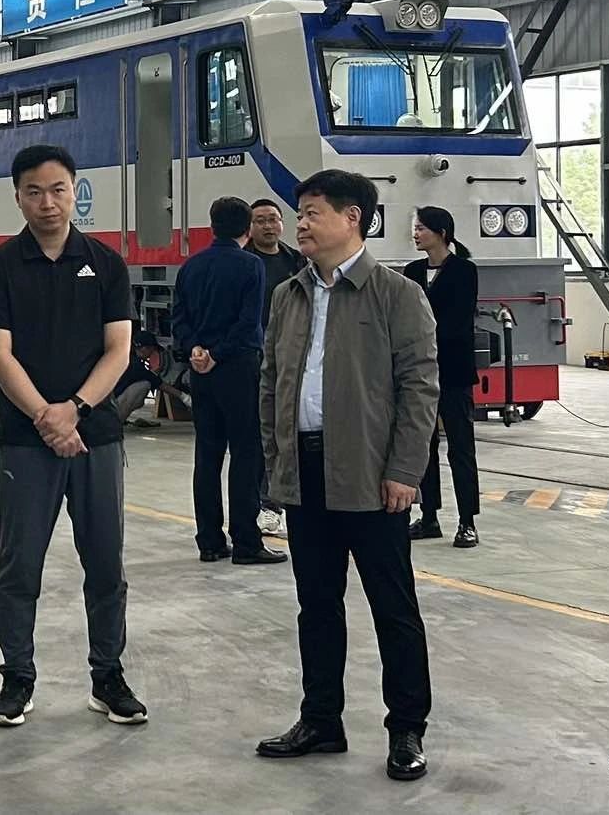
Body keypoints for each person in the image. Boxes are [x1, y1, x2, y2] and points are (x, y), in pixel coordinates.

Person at [256, 169, 438, 781]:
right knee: (316, 605)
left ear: (352, 217)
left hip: (372, 476)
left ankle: (406, 728)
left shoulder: (396, 294)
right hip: (304, 473)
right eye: (299, 213)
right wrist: (276, 460)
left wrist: (405, 470)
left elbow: (420, 389)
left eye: (312, 213)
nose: (300, 224)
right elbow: (270, 382)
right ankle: (321, 720)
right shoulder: (289, 295)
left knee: (393, 607)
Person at [0, 144, 147, 729]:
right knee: (19, 566)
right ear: (17, 197)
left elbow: (118, 350)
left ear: (75, 192)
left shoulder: (106, 263)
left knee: (105, 564)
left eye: (58, 190)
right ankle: (17, 679)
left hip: (97, 437)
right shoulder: (1, 266)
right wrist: (46, 418)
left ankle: (108, 676)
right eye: (34, 192)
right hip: (27, 442)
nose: (47, 202)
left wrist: (74, 409)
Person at [172, 196, 287, 566]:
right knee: (246, 455)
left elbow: (180, 319)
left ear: (212, 225)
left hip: (201, 371)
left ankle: (209, 541)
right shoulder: (251, 265)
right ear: (247, 228)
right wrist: (219, 354)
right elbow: (248, 323)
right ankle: (246, 541)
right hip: (238, 368)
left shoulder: (191, 266)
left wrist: (196, 351)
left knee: (207, 455)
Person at [403, 206, 481, 548]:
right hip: (419, 373)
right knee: (424, 446)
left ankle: (467, 521)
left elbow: (459, 320)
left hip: (453, 371)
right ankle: (429, 515)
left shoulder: (464, 271)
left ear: (442, 233)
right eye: (416, 228)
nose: (416, 234)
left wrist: (423, 339)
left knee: (461, 447)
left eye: (422, 228)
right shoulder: (412, 271)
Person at [247, 198, 307, 536]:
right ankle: (264, 504)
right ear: (250, 226)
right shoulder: (245, 262)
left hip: (289, 356)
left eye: (273, 219)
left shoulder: (295, 261)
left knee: (287, 434)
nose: (268, 226)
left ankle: (277, 504)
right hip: (255, 358)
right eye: (261, 220)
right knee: (261, 435)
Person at [113, 329, 190, 427]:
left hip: (105, 407)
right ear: (145, 348)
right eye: (152, 351)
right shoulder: (136, 366)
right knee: (143, 386)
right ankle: (115, 422)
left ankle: (117, 419)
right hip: (111, 409)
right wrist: (186, 398)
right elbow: (159, 384)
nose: (151, 355)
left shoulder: (125, 358)